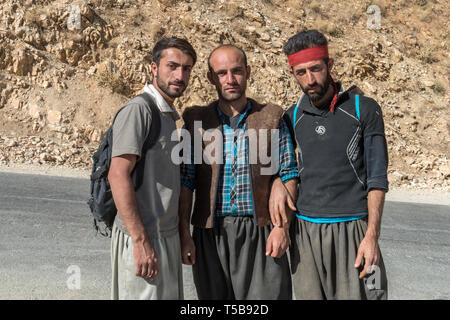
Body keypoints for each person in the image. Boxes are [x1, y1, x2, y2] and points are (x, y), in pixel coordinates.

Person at [271, 29, 389, 300]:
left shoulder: (364, 109)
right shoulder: (291, 117)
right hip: (305, 233)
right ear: (292, 74)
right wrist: (278, 182)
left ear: (330, 65)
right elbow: (286, 169)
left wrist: (372, 236)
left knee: (372, 295)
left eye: (315, 69)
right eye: (301, 72)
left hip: (354, 229)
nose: (310, 80)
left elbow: (377, 179)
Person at [178, 44, 299, 300]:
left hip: (261, 229)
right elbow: (186, 181)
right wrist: (185, 233)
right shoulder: (195, 120)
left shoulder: (271, 117)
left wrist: (282, 228)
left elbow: (288, 173)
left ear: (248, 72)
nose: (230, 80)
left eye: (237, 71)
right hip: (209, 232)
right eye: (222, 73)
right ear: (211, 78)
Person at [108, 37, 196, 300]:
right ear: (153, 67)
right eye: (172, 66)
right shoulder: (139, 110)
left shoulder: (167, 114)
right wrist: (140, 241)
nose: (179, 75)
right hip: (144, 238)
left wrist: (182, 234)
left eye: (187, 68)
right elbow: (117, 173)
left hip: (164, 237)